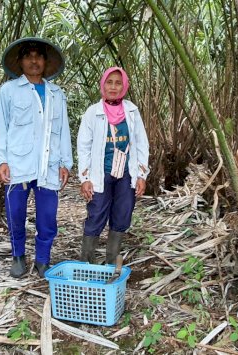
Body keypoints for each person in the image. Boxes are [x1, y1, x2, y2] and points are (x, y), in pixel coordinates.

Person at [0, 38, 72, 278]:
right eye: (29, 56)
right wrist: (2, 161)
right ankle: (18, 256)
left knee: (47, 217)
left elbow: (64, 130)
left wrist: (65, 163)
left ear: (46, 62)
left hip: (48, 165)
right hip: (18, 164)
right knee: (15, 213)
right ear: (20, 61)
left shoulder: (57, 94)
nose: (34, 61)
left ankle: (42, 260)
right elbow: (1, 127)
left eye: (39, 56)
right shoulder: (8, 91)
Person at [76, 67, 150, 265]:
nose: (113, 87)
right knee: (96, 213)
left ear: (124, 86)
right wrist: (85, 178)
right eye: (109, 82)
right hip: (100, 173)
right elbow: (83, 146)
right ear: (103, 85)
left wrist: (142, 174)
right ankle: (86, 263)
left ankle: (111, 263)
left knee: (123, 213)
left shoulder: (132, 111)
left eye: (118, 83)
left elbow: (141, 143)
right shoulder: (93, 113)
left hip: (126, 173)